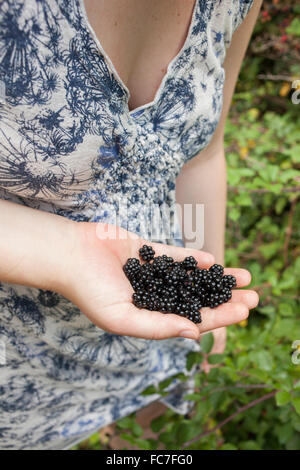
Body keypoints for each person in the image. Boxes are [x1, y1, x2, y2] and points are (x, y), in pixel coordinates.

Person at [0, 0, 261, 450]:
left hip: (153, 328)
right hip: (18, 365)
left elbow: (202, 155)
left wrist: (205, 270)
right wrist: (63, 250)